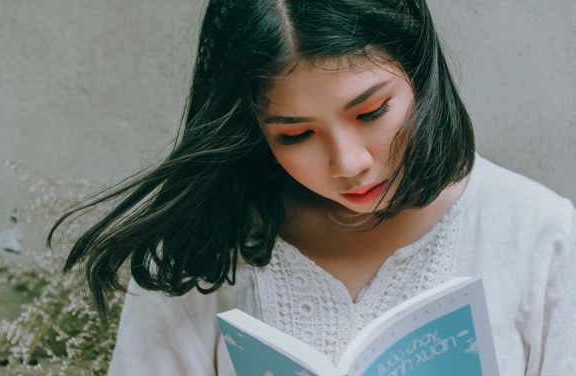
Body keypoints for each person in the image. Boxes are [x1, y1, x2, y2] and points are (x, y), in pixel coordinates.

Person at [48, 0, 576, 374]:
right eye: (296, 134)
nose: (349, 163)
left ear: (420, 73)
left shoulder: (540, 238)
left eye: (371, 111)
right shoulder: (202, 254)